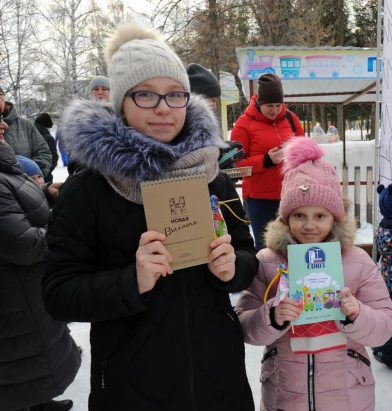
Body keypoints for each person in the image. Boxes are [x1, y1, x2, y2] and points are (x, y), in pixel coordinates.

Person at [42, 24, 256, 410]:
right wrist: (131, 280)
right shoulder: (87, 190)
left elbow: (246, 254)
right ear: (121, 102)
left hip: (218, 378)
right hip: (133, 384)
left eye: (175, 95)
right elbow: (59, 295)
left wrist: (232, 268)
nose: (162, 107)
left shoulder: (212, 177)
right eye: (145, 95)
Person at [236, 136, 392, 411]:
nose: (309, 225)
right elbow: (244, 326)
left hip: (346, 394)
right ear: (285, 217)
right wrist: (272, 315)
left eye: (320, 216)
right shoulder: (267, 261)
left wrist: (357, 314)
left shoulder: (357, 261)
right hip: (286, 393)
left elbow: (385, 326)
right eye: (299, 215)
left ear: (335, 218)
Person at [0, 118, 80, 411]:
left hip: (24, 291)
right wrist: (71, 233)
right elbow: (23, 244)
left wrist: (45, 193)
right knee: (17, 368)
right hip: (11, 296)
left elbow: (10, 206)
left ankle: (40, 402)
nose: (5, 126)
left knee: (32, 360)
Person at [231, 73, 304, 252]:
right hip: (260, 199)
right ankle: (266, 281)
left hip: (291, 195)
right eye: (269, 105)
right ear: (258, 103)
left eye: (278, 105)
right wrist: (266, 160)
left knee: (294, 246)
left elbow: (305, 148)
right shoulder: (243, 124)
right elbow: (236, 166)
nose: (275, 110)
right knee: (265, 249)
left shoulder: (290, 118)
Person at [371, 183, 392, 368]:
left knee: (390, 318)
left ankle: (381, 348)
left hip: (387, 282)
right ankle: (389, 354)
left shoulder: (383, 226)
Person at [0, 86, 52, 178]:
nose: (4, 126)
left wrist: (33, 175)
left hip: (28, 188)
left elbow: (44, 153)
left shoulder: (25, 125)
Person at [34, 113, 59, 183]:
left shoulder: (29, 134)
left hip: (30, 175)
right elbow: (54, 157)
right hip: (45, 174)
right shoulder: (48, 138)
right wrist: (48, 170)